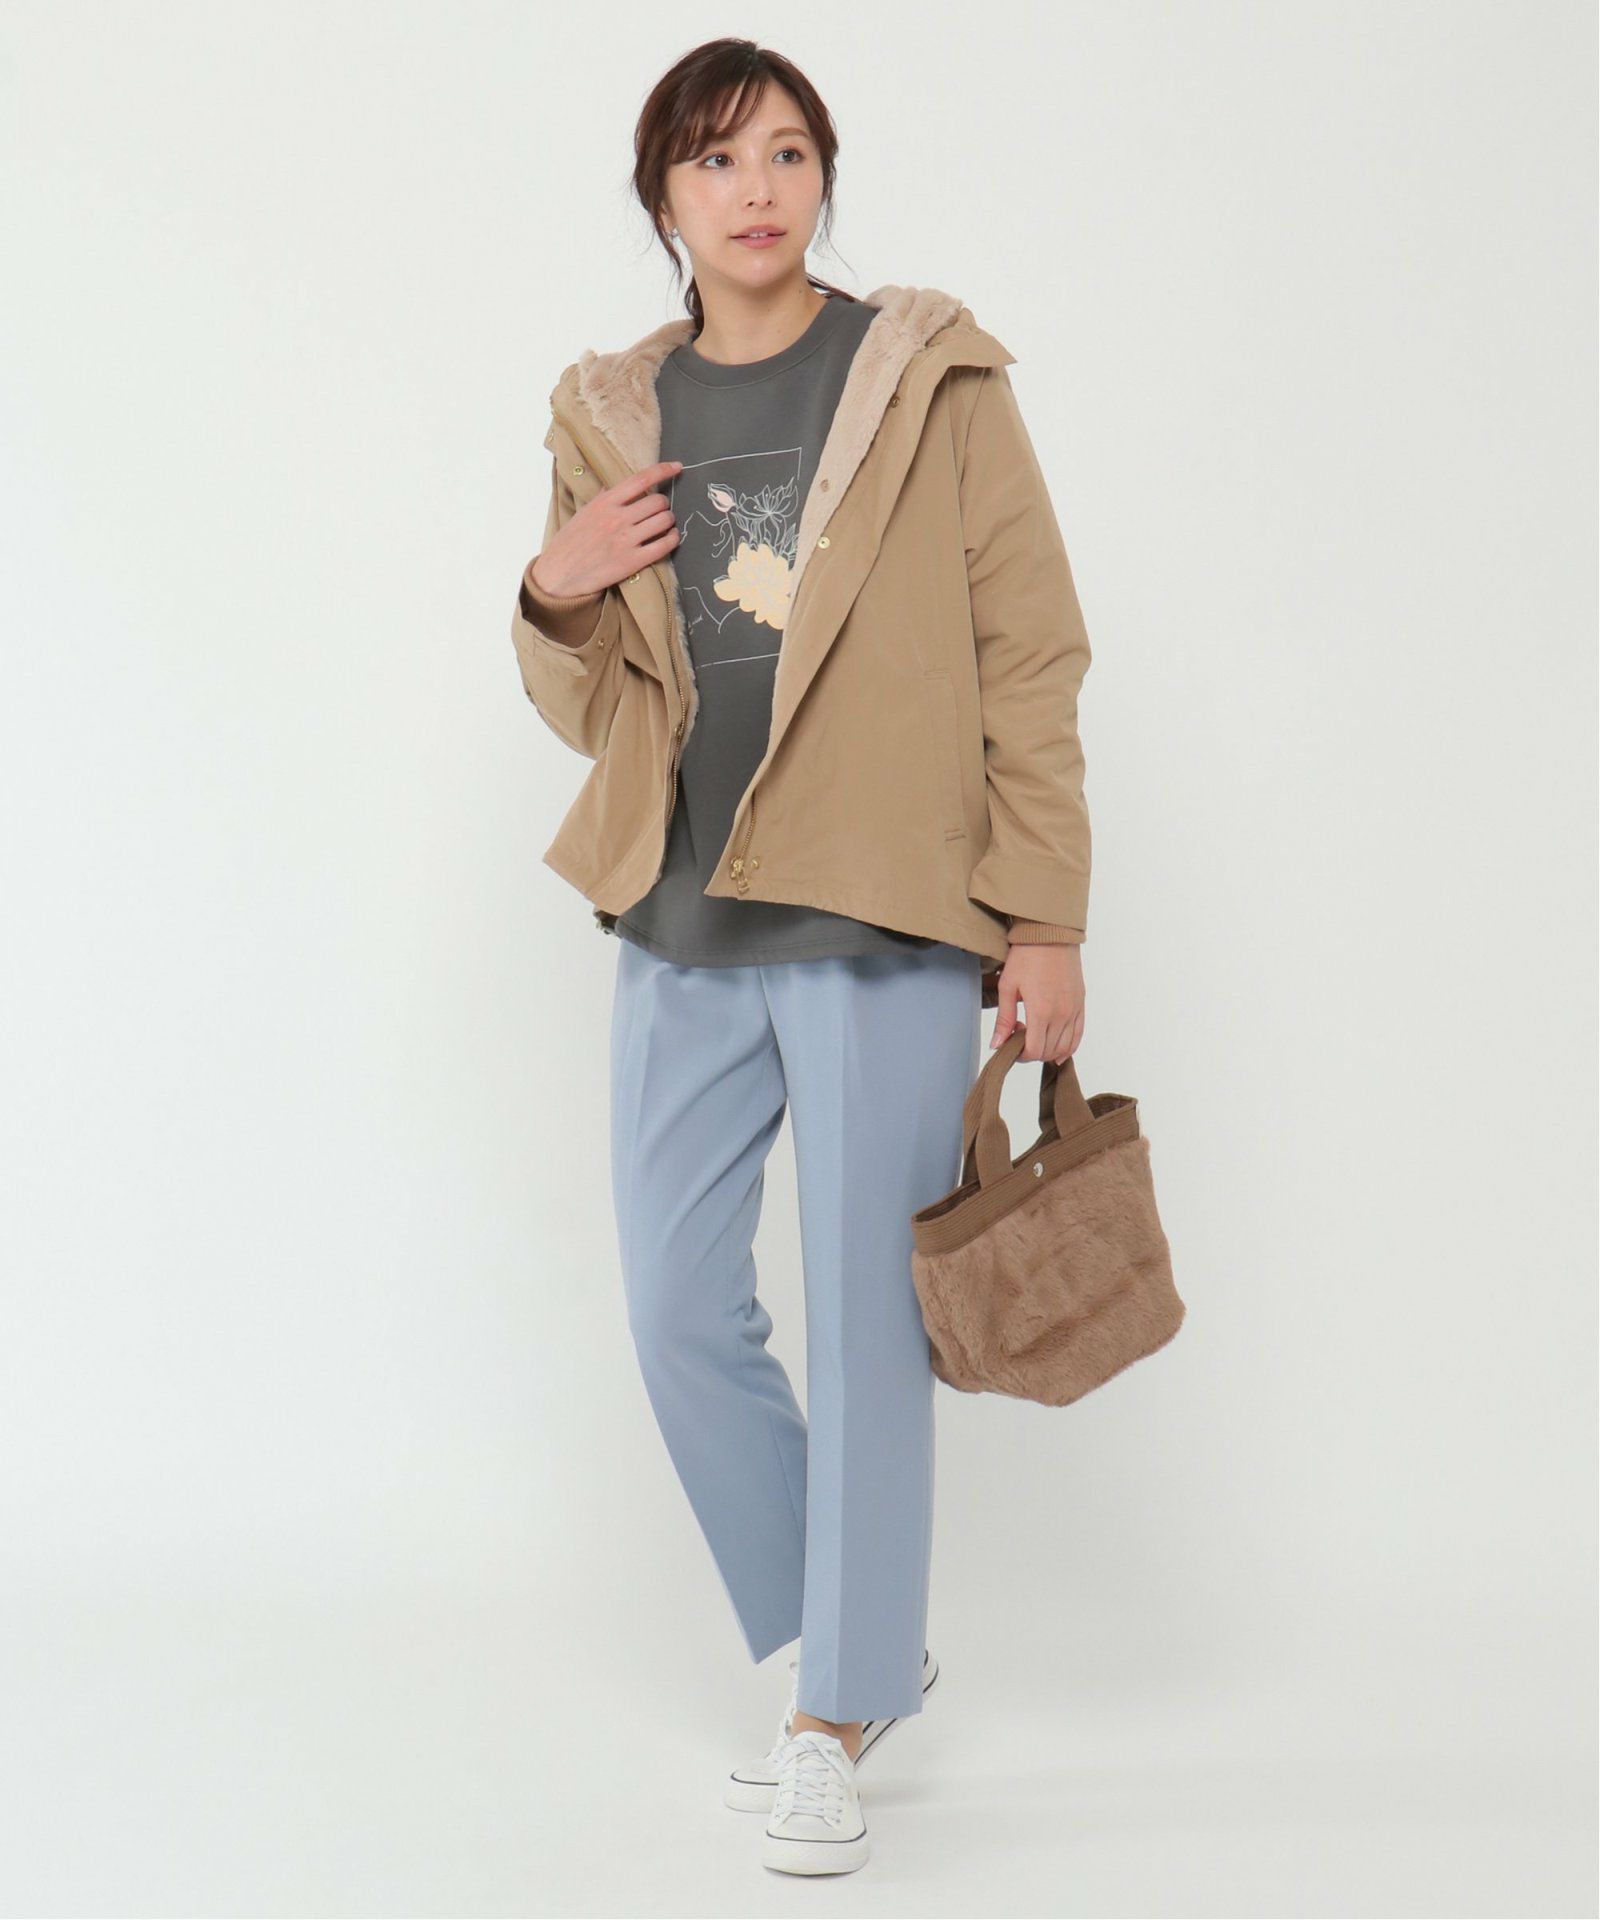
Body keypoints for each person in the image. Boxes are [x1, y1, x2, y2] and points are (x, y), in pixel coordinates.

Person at [510, 38, 1093, 1877]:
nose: (754, 189)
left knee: (863, 1318)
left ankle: (834, 1707)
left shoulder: (928, 378)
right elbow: (590, 704)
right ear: (663, 201)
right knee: (679, 1309)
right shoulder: (610, 410)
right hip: (681, 911)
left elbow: (1030, 649)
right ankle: (861, 1646)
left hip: (882, 908)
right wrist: (554, 589)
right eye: (713, 160)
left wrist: (1045, 912)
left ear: (824, 175)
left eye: (784, 152)